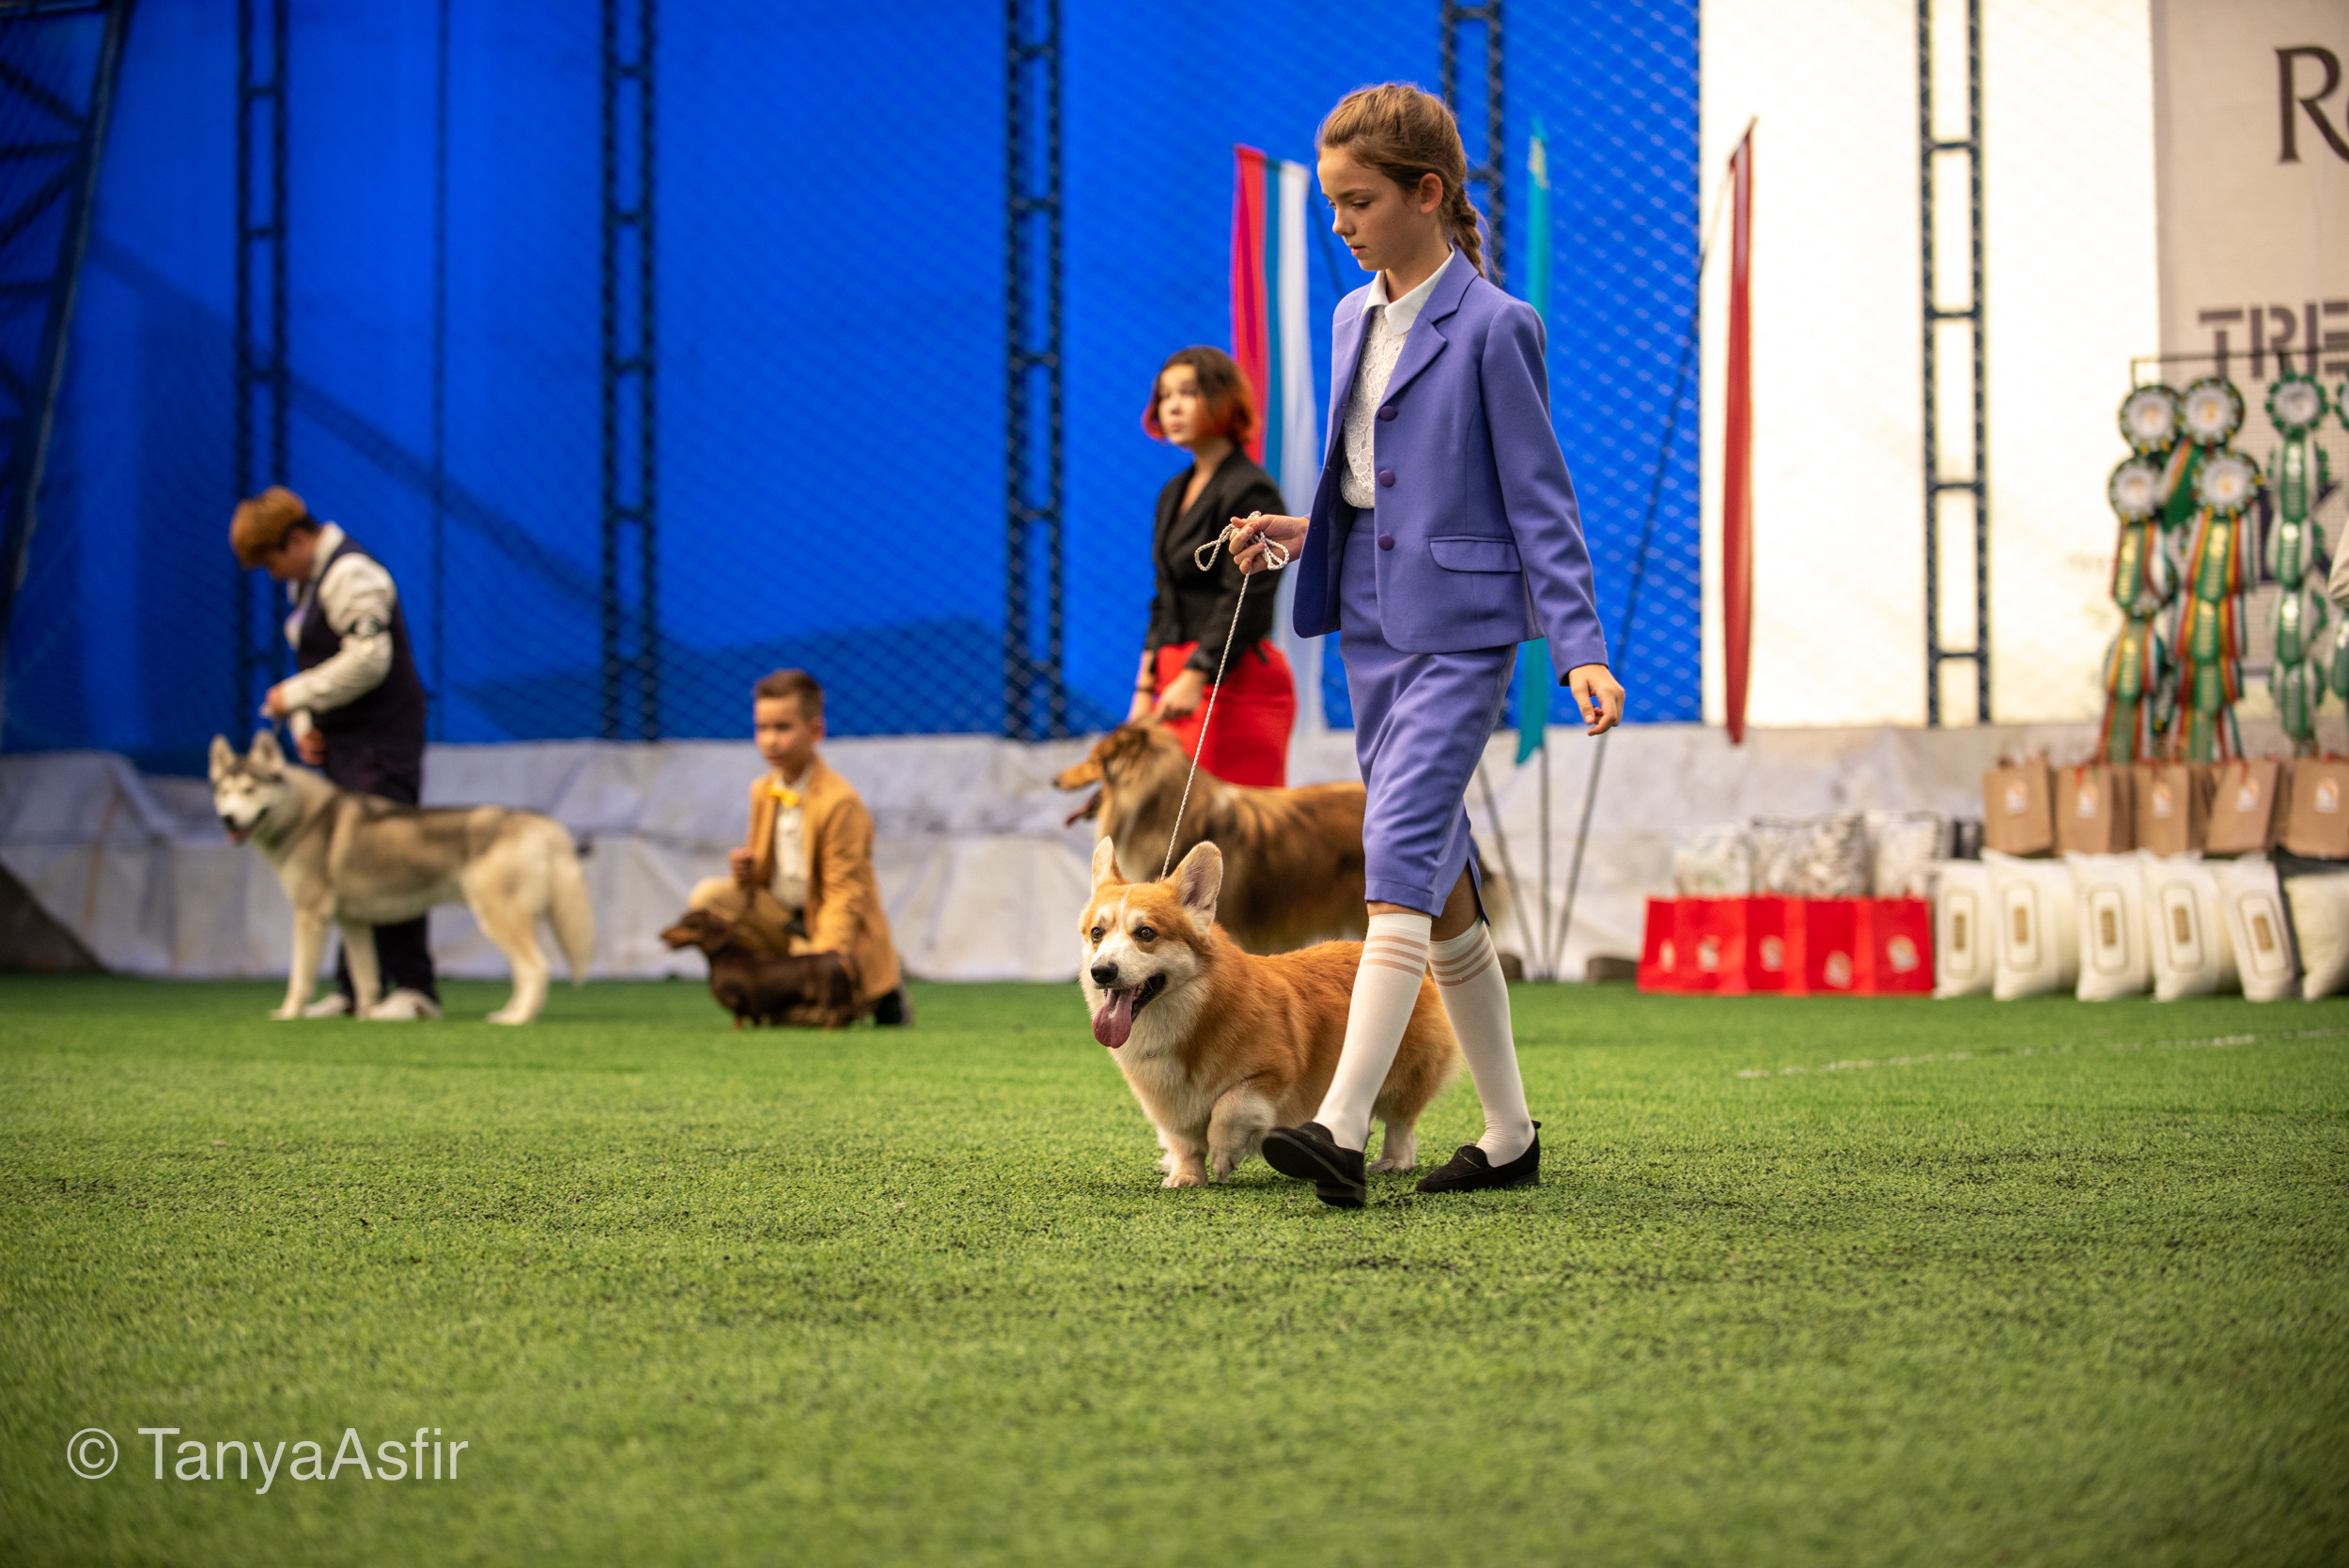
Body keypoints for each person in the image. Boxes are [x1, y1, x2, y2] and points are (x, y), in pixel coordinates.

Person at [1229, 84, 1626, 1209]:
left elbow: (1538, 503)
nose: (1341, 225)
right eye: (1331, 205)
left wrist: (1578, 649)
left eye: (1359, 203)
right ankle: (1508, 1136)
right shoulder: (1358, 316)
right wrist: (1295, 534)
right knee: (1441, 885)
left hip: (1461, 637)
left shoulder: (1500, 327)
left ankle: (1341, 1126)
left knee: (1395, 840)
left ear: (1428, 195)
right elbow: (1376, 489)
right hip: (1366, 626)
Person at [231, 485, 441, 1020]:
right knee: (345, 870)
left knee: (391, 859)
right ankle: (357, 991)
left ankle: (415, 989)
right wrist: (304, 719)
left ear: (296, 539)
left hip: (382, 740)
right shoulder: (305, 584)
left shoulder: (353, 574)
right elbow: (315, 658)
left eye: (272, 562)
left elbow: (370, 659)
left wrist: (294, 696)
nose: (273, 575)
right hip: (345, 741)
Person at [689, 669, 911, 1026]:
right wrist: (746, 872)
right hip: (784, 918)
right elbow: (764, 878)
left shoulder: (839, 802)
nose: (770, 741)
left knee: (806, 1017)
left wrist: (822, 965)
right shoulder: (762, 791)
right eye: (762, 729)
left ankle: (882, 988)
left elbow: (845, 894)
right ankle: (762, 981)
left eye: (782, 728)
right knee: (709, 899)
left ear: (816, 731)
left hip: (828, 926)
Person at [1131, 347, 1297, 787]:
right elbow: (1164, 596)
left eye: (1188, 392)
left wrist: (1198, 673)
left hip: (1233, 681)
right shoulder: (1173, 492)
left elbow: (1248, 596)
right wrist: (1145, 689)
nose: (1173, 406)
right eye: (1165, 396)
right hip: (1174, 679)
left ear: (1223, 399)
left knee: (1228, 837)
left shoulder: (1249, 488)